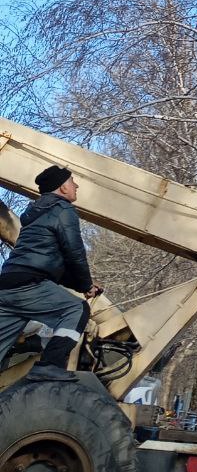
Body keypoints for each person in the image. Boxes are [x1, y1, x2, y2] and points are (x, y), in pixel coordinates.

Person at [0, 164, 102, 383]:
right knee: (76, 309)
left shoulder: (34, 217)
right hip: (29, 285)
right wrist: (86, 286)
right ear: (62, 188)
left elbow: (49, 267)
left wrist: (82, 285)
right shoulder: (63, 210)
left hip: (7, 286)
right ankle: (49, 366)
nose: (76, 185)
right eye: (72, 181)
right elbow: (75, 253)